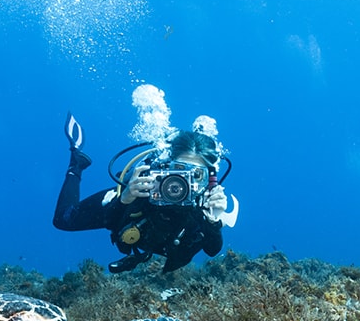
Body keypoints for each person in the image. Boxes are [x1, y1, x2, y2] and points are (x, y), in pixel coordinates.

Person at [53, 113, 239, 273]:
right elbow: (111, 223)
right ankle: (76, 165)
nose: (184, 182)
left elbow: (213, 250)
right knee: (63, 219)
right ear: (166, 166)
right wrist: (124, 199)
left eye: (197, 175)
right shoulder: (146, 188)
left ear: (208, 178)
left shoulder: (204, 201)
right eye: (180, 170)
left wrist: (214, 221)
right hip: (134, 206)